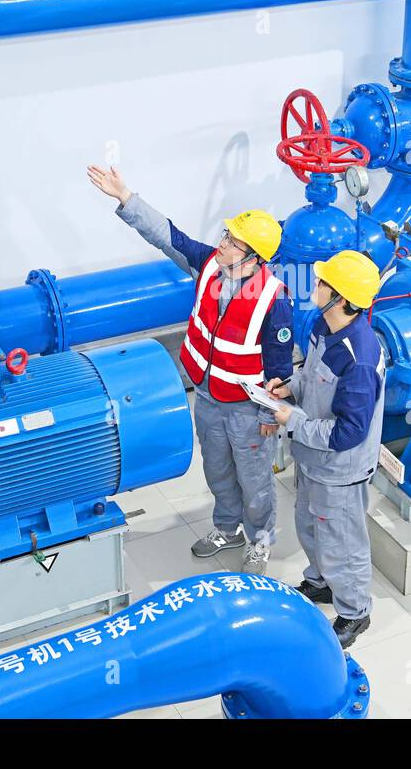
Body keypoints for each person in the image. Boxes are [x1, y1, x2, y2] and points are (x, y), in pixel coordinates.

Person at [87, 164, 293, 575]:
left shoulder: (275, 300)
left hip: (248, 410)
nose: (222, 244)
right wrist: (127, 199)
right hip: (207, 395)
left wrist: (272, 416)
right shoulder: (209, 266)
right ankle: (227, 529)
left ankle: (261, 539)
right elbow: (168, 236)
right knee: (216, 469)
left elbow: (280, 370)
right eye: (225, 236)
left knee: (255, 482)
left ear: (253, 257)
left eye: (233, 242)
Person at [267, 249, 385, 649]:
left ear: (342, 300)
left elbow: (348, 432)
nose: (314, 287)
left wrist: (292, 420)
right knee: (309, 524)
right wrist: (289, 387)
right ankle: (319, 582)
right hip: (312, 457)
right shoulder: (322, 325)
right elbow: (310, 373)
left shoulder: (361, 359)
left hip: (340, 469)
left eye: (322, 284)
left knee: (342, 541)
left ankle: (355, 611)